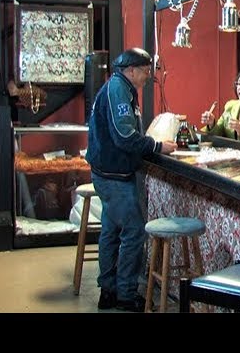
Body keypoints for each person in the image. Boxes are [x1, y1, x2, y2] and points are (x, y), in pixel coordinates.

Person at [85, 47, 177, 312]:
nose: (148, 76)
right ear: (132, 70)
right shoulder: (118, 90)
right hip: (114, 175)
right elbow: (125, 137)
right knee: (134, 231)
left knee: (111, 231)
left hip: (106, 171)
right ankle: (125, 295)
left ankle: (108, 291)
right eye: (146, 71)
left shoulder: (119, 87)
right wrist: (157, 146)